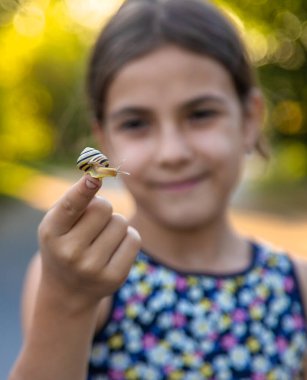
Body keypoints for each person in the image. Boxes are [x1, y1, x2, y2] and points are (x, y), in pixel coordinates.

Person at [9, 0, 307, 379]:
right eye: (136, 123)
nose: (172, 153)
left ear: (250, 119)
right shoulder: (88, 277)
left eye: (200, 115)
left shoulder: (296, 287)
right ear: (105, 140)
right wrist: (67, 300)